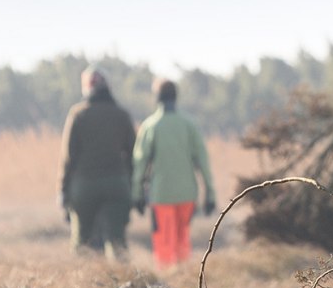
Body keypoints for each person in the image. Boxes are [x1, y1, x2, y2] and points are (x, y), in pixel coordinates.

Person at [131, 79, 217, 269]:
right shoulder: (189, 125)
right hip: (187, 194)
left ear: (157, 97)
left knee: (164, 243)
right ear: (176, 97)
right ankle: (184, 279)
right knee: (182, 240)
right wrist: (210, 193)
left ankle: (168, 284)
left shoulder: (150, 126)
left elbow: (140, 163)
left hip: (161, 194)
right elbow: (203, 161)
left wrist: (136, 193)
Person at [59, 66, 137, 259]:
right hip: (117, 185)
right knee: (117, 244)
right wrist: (134, 187)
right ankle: (124, 283)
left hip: (84, 186)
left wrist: (62, 190)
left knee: (82, 244)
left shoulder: (78, 114)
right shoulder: (122, 115)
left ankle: (84, 285)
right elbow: (133, 154)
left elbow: (68, 157)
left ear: (86, 88)